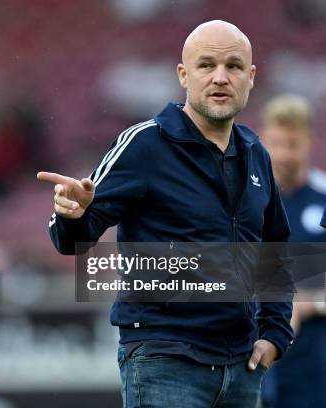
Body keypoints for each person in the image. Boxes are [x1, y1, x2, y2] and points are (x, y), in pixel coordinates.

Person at [38, 20, 293, 408]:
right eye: (206, 65)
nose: (221, 77)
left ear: (251, 77)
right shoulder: (144, 144)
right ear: (183, 75)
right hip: (166, 362)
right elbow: (72, 240)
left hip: (242, 368)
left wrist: (275, 333)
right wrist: (72, 214)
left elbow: (276, 251)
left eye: (234, 67)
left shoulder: (256, 155)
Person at [259, 94, 326, 408]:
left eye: (293, 144)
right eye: (277, 143)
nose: (284, 154)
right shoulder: (250, 202)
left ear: (308, 142)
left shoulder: (323, 197)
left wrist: (308, 302)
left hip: (316, 354)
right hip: (258, 351)